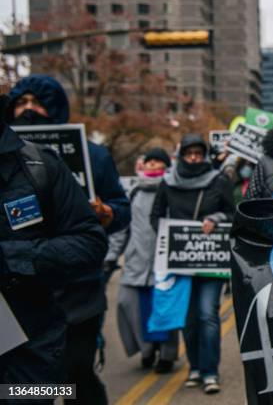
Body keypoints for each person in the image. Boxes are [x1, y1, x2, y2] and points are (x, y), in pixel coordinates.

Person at [7, 74, 131, 405]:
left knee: (74, 373)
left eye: (37, 102)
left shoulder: (93, 156)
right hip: (18, 304)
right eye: (21, 102)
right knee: (26, 385)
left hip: (77, 293)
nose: (29, 109)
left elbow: (120, 210)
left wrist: (106, 212)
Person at [150, 134, 234, 394]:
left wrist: (218, 218)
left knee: (208, 314)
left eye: (199, 153)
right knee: (188, 317)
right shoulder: (167, 182)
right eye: (189, 154)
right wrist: (171, 237)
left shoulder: (219, 180)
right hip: (180, 260)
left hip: (210, 260)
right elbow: (156, 215)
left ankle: (210, 372)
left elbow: (233, 212)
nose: (195, 158)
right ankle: (194, 368)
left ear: (205, 155)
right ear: (182, 156)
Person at [116, 147, 179, 373]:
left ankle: (167, 354)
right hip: (136, 263)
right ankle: (146, 350)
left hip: (163, 264)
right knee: (131, 307)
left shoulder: (173, 190)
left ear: (165, 166)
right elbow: (122, 228)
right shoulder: (132, 192)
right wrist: (112, 256)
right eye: (148, 161)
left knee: (165, 310)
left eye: (157, 161)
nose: (151, 165)